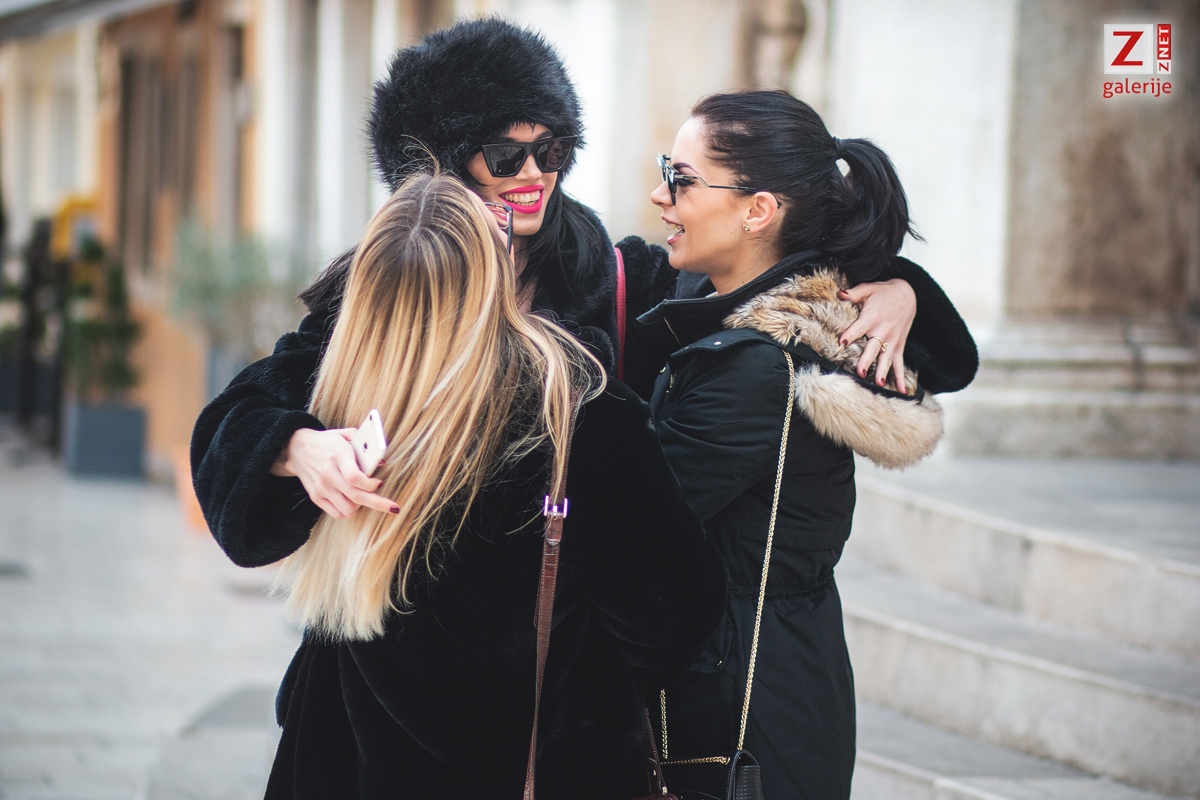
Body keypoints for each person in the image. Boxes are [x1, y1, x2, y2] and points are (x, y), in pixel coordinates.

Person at [240, 17, 976, 528]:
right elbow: (243, 413)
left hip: (548, 669)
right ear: (443, 163)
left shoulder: (623, 278)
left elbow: (774, 273)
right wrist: (297, 447)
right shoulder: (384, 283)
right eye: (506, 155)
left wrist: (901, 289)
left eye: (552, 150)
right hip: (381, 655)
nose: (534, 173)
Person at [206, 169, 725, 798]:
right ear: (495, 273)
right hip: (531, 767)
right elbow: (675, 621)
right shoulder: (579, 412)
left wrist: (292, 446)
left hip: (339, 764)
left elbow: (228, 454)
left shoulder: (336, 393)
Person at [641, 90, 966, 800]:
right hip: (766, 683)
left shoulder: (754, 369)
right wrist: (902, 285)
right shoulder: (722, 308)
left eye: (681, 180)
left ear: (758, 210)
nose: (661, 196)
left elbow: (633, 528)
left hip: (743, 719)